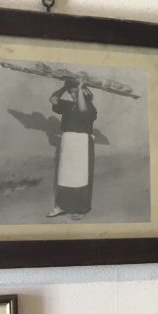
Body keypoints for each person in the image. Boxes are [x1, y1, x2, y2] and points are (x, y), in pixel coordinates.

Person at [46, 78, 98, 220]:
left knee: (81, 177)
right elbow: (53, 100)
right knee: (65, 176)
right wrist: (65, 87)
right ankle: (61, 206)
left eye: (76, 92)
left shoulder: (91, 109)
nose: (73, 95)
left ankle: (81, 209)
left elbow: (82, 109)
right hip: (68, 142)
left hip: (82, 143)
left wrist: (80, 88)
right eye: (72, 93)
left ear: (85, 92)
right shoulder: (68, 106)